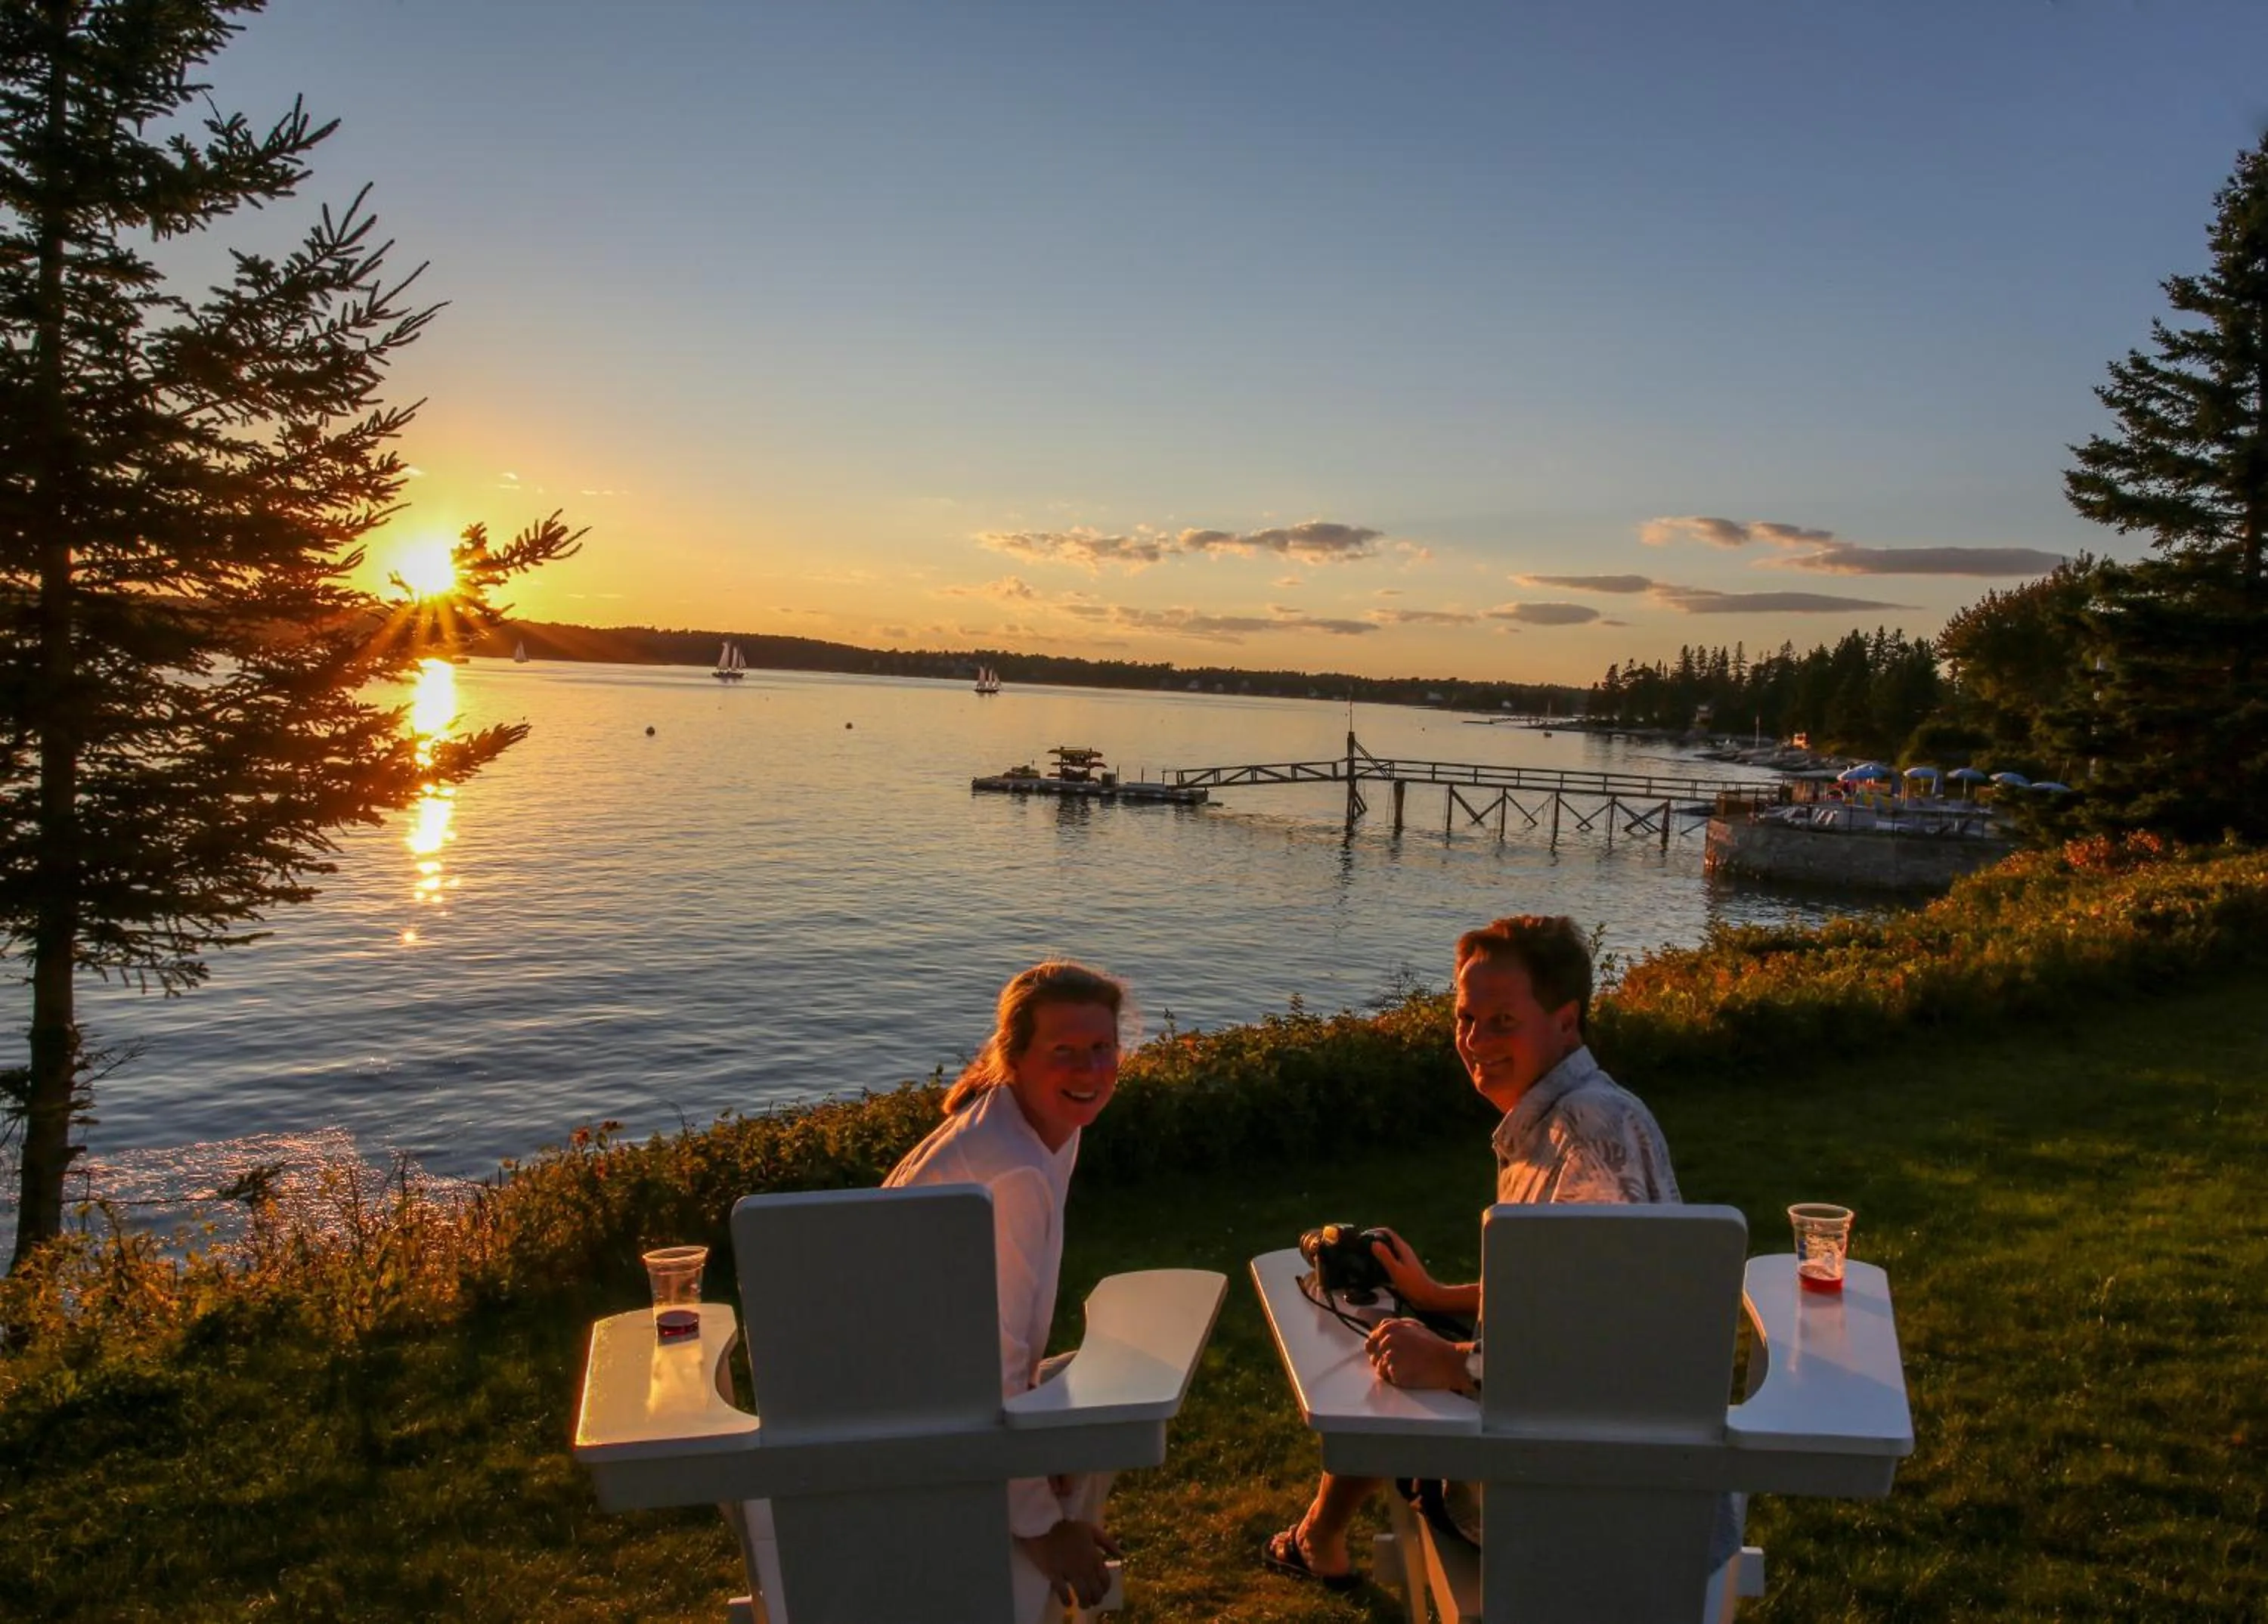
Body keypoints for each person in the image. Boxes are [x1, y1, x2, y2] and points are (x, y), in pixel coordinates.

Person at [1263, 915, 1685, 1591]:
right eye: (1466, 1018)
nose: (1475, 1040)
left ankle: (1319, 1538)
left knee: (1384, 1371)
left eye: (1503, 1021)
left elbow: (1609, 1352)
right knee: (1402, 1334)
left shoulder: (1587, 1141)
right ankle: (1322, 1537)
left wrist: (1459, 1366)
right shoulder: (1578, 1115)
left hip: (1560, 1512)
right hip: (1592, 1473)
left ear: (1566, 1021)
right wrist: (1434, 1299)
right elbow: (1566, 1294)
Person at [885, 960, 1129, 1619]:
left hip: (921, 1399)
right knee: (1111, 1402)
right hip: (911, 1434)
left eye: (1102, 1048)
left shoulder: (1036, 1126)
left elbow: (997, 1352)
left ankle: (1062, 1533)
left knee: (1105, 1389)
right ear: (1013, 1057)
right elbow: (987, 1364)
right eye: (1064, 1052)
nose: (1089, 1070)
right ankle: (1055, 1561)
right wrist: (1041, 1526)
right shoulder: (1010, 1168)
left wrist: (1040, 1437)